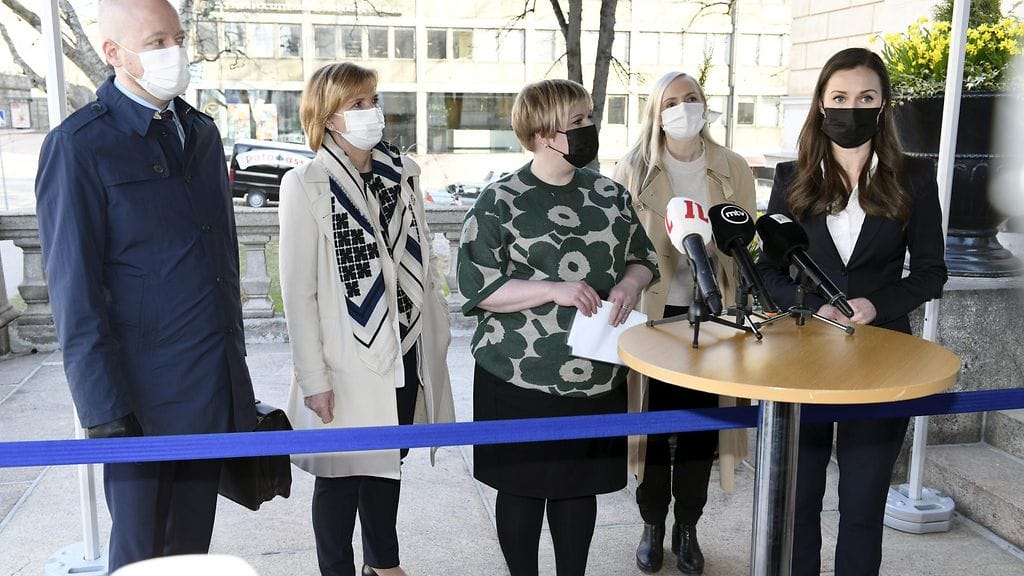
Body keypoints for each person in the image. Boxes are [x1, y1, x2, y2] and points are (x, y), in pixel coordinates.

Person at [33, 0, 257, 571]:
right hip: (139, 401)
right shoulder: (78, 145)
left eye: (177, 38)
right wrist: (105, 413)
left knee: (191, 549)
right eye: (157, 42)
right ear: (114, 53)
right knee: (140, 553)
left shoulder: (201, 133)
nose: (174, 52)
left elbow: (221, 263)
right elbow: (74, 294)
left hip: (208, 384)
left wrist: (234, 377)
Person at [755, 47, 947, 576]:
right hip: (801, 361)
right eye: (839, 97)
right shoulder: (792, 177)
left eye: (866, 98)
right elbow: (767, 272)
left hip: (883, 360)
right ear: (821, 103)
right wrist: (815, 306)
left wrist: (875, 305)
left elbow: (931, 272)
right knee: (799, 508)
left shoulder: (913, 176)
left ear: (883, 105)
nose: (852, 108)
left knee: (862, 511)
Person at [458, 78, 659, 576]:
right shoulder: (499, 200)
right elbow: (479, 287)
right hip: (516, 375)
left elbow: (643, 259)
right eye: (578, 121)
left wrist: (629, 285)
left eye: (589, 117)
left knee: (577, 490)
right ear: (543, 133)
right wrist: (552, 288)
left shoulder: (610, 194)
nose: (590, 127)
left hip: (594, 374)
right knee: (520, 492)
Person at [278, 62, 455, 576]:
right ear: (327, 117)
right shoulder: (305, 183)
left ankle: (383, 564)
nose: (371, 112)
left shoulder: (402, 173)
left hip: (403, 347)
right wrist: (314, 379)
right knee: (339, 477)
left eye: (373, 101)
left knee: (386, 464)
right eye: (357, 104)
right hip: (345, 358)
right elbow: (298, 293)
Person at [613, 71, 756, 575]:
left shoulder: (732, 167)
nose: (683, 108)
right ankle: (652, 523)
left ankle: (688, 526)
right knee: (651, 428)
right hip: (654, 317)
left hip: (712, 315)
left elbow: (746, 240)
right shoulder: (632, 168)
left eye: (691, 98)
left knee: (700, 430)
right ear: (656, 112)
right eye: (671, 102)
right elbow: (619, 243)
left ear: (704, 104)